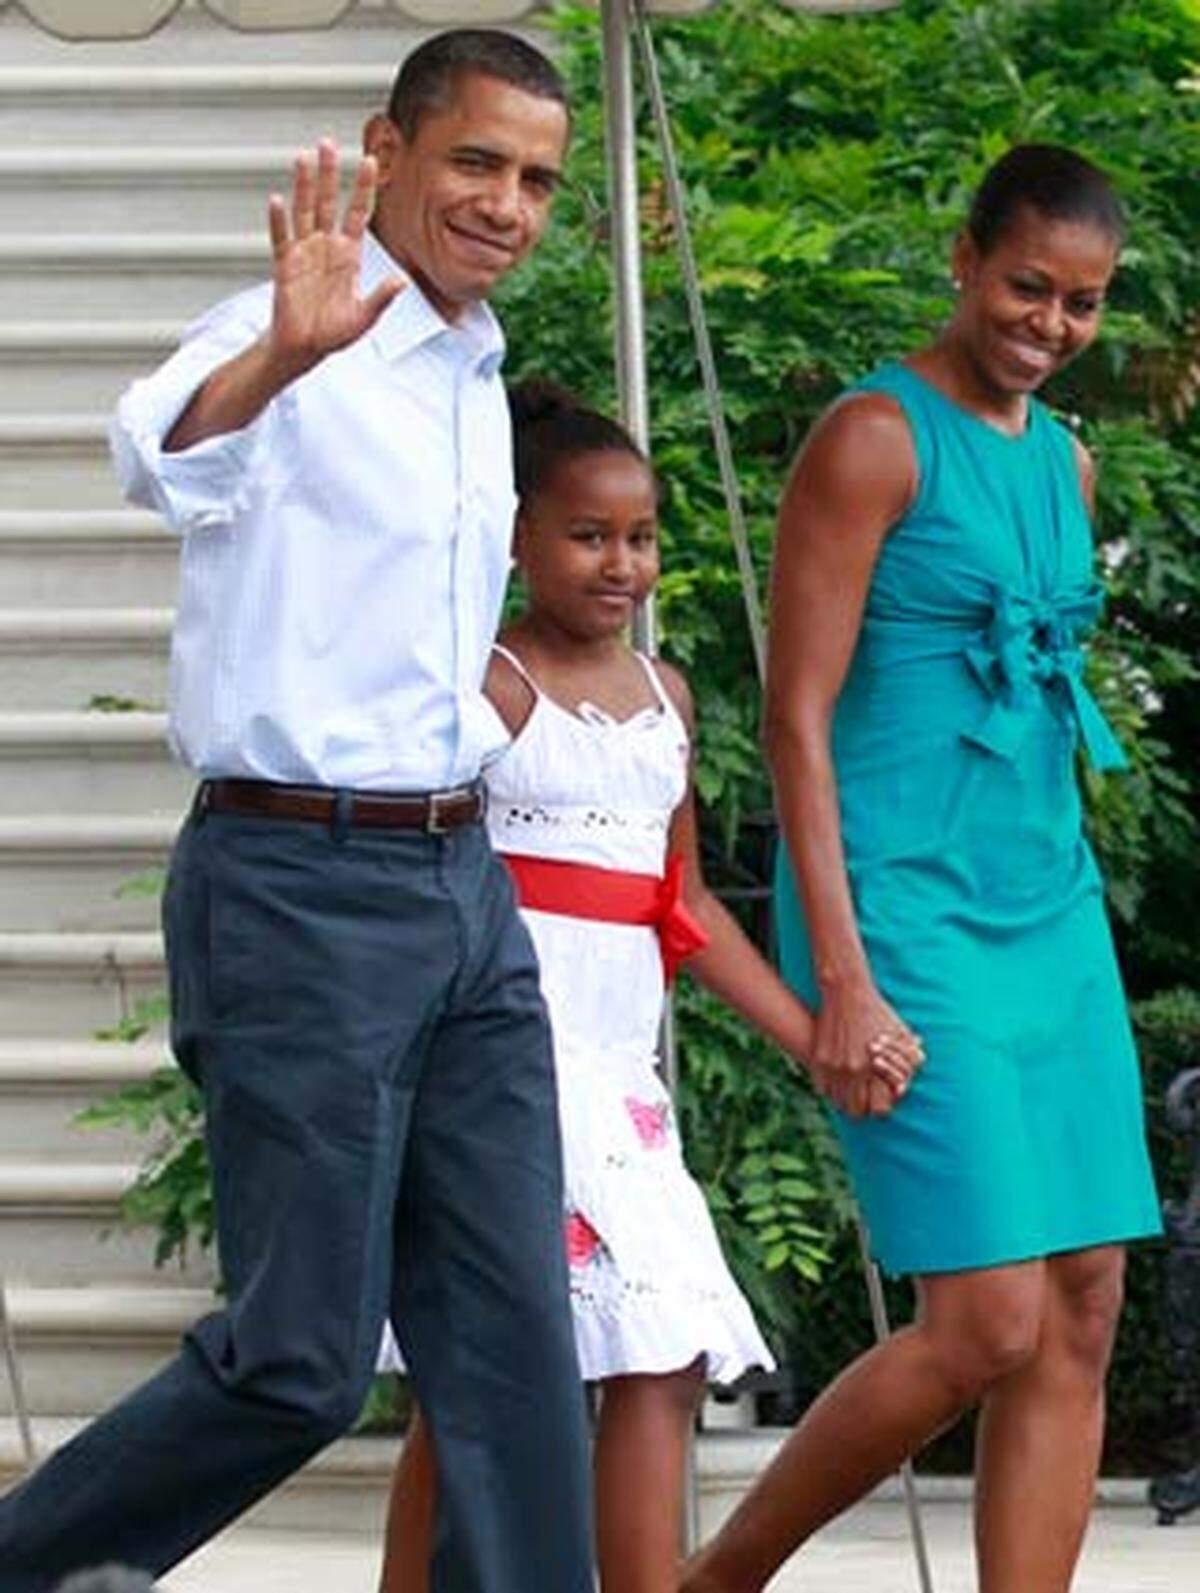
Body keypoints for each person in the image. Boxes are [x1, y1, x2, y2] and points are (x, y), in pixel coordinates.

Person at [0, 31, 593, 1593]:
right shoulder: (297, 330)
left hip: (463, 885)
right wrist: (283, 352)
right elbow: (154, 447)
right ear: (386, 151)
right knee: (304, 1358)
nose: (507, 204)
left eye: (536, 178)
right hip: (299, 885)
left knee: (518, 1334)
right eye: (476, 161)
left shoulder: (477, 365)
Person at [680, 144, 1163, 1593]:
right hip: (904, 913)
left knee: (1082, 1301)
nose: (1050, 324)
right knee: (985, 1322)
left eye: (1080, 303)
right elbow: (794, 720)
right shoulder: (874, 439)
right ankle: (721, 1580)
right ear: (964, 260)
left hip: (1047, 910)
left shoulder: (1066, 460)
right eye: (1027, 285)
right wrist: (842, 972)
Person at [375, 382, 923, 1593]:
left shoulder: (667, 699)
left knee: (655, 1347)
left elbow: (679, 904)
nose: (621, 563)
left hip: (619, 1078)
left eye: (641, 536)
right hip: (505, 1060)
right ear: (516, 539)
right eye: (587, 535)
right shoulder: (494, 686)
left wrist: (812, 1036)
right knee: (507, 1364)